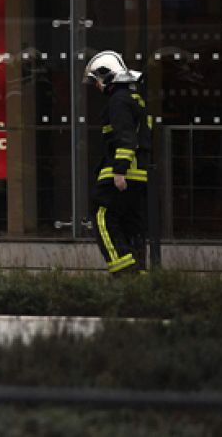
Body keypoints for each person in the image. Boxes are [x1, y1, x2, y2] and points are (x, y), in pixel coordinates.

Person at [86, 50, 153, 276]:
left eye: (97, 80)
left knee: (102, 215)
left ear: (107, 76)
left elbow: (125, 137)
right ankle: (139, 275)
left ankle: (123, 273)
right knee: (130, 224)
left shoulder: (119, 101)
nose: (97, 86)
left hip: (122, 173)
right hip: (139, 174)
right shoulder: (136, 99)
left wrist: (119, 171)